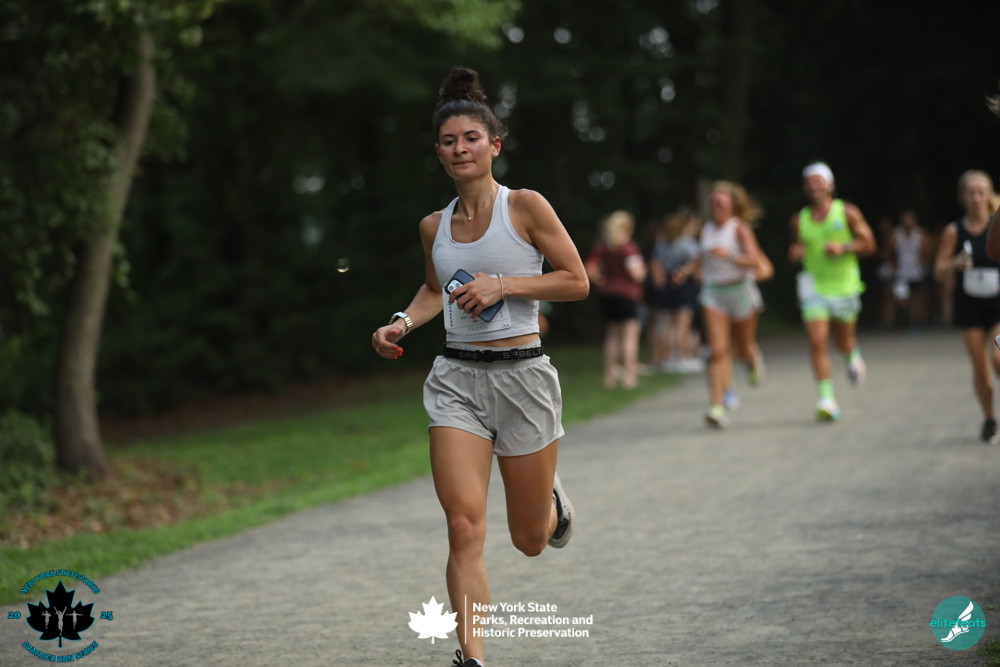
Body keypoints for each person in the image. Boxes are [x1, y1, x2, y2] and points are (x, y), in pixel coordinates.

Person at [369, 67, 589, 667]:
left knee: (529, 540)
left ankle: (551, 503)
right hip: (457, 382)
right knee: (464, 526)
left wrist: (503, 285)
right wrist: (401, 323)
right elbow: (433, 288)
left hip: (523, 379)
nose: (459, 149)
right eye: (448, 141)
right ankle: (472, 658)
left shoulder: (526, 207)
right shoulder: (433, 226)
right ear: (438, 152)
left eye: (471, 138)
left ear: (494, 145)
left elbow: (576, 281)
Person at [788, 162, 876, 422]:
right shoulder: (799, 219)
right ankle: (827, 399)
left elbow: (869, 244)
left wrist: (844, 247)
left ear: (831, 185)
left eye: (819, 181)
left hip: (845, 287)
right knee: (817, 341)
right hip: (813, 287)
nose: (814, 186)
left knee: (842, 342)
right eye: (810, 182)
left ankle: (852, 354)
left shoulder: (847, 212)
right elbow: (795, 249)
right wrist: (794, 253)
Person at [675, 181, 767, 428]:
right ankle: (716, 407)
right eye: (713, 202)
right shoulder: (706, 230)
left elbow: (755, 261)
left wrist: (731, 256)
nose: (716, 206)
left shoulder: (739, 229)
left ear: (732, 205)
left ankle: (752, 358)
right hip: (713, 293)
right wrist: (686, 271)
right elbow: (701, 257)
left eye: (721, 202)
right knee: (716, 350)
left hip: (740, 291)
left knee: (743, 348)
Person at [935, 170, 1000, 443]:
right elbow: (938, 271)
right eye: (971, 193)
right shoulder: (954, 231)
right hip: (970, 305)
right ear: (962, 197)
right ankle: (989, 418)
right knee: (981, 368)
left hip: (997, 304)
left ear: (989, 195)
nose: (976, 198)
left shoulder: (997, 224)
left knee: (998, 358)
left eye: (981, 192)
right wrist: (955, 263)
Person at [585, 210, 647, 389]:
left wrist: (601, 280)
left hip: (607, 295)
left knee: (612, 336)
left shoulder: (603, 247)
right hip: (626, 295)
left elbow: (590, 268)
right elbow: (636, 274)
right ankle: (629, 376)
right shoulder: (628, 248)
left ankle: (609, 377)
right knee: (630, 336)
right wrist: (644, 272)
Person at [648, 207, 704, 373]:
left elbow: (656, 265)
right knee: (683, 323)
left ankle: (666, 358)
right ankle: (683, 357)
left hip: (667, 284)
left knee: (667, 324)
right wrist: (691, 274)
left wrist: (660, 286)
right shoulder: (686, 243)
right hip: (684, 284)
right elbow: (697, 262)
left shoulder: (661, 244)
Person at [888, 210, 931, 328]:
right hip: (901, 272)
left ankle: (915, 322)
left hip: (916, 272)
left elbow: (928, 251)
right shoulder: (896, 235)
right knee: (901, 298)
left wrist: (922, 261)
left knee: (917, 299)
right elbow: (889, 252)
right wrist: (893, 265)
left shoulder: (920, 235)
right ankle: (903, 320)